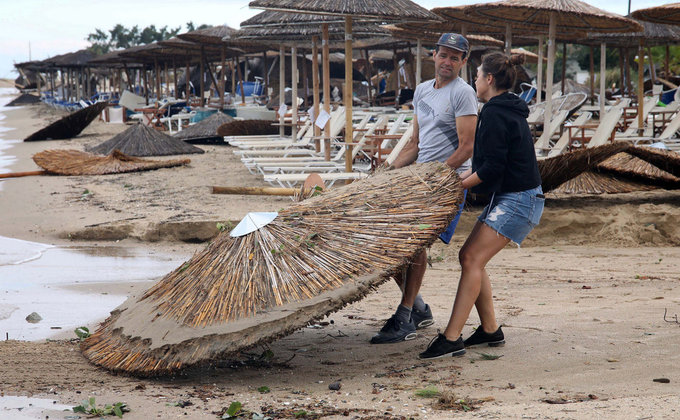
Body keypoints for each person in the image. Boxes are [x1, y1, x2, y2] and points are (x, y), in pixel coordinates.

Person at [418, 52, 544, 359]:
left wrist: (455, 184)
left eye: (476, 75)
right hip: (513, 196)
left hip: (519, 200)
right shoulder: (502, 109)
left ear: (489, 80)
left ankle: (451, 337)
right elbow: (489, 164)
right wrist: (463, 176)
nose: (473, 80)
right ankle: (490, 330)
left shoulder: (495, 113)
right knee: (470, 256)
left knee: (472, 258)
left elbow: (492, 169)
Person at [370, 33, 478, 344]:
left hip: (447, 183)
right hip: (419, 180)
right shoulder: (422, 91)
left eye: (455, 58)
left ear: (463, 62)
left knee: (415, 244)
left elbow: (466, 148)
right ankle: (418, 308)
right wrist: (389, 171)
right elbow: (416, 144)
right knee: (392, 243)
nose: (448, 62)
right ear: (433, 55)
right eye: (443, 55)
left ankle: (404, 317)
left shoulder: (463, 94)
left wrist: (434, 177)